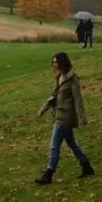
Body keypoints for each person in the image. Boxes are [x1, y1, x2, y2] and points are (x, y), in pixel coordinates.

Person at [35, 52, 93, 184]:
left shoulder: (73, 79)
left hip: (65, 117)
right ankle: (87, 166)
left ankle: (48, 174)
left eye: (56, 62)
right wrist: (42, 110)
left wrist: (82, 118)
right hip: (58, 114)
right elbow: (53, 97)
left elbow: (78, 99)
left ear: (63, 62)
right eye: (53, 62)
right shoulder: (59, 77)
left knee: (54, 145)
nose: (54, 65)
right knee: (71, 143)